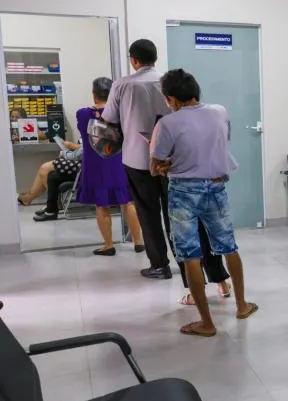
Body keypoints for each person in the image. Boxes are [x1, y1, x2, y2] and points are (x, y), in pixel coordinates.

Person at [150, 69, 257, 337]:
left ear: (171, 99)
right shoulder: (220, 111)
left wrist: (167, 164)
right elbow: (220, 143)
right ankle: (242, 305)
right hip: (217, 186)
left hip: (184, 192)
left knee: (191, 256)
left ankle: (207, 323)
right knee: (229, 247)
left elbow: (155, 166)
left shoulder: (167, 124)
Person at [102, 39, 174, 278]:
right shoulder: (169, 81)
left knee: (148, 212)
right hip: (171, 161)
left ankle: (160, 265)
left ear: (133, 60)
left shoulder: (122, 85)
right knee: (176, 212)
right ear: (155, 57)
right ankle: (187, 265)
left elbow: (109, 119)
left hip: (137, 159)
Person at [75, 77, 145, 255]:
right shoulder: (121, 114)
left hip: (95, 167)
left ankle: (108, 245)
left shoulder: (83, 114)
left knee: (101, 205)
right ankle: (138, 242)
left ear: (93, 94)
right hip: (119, 164)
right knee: (128, 202)